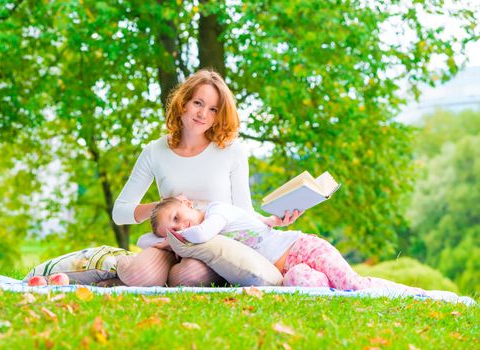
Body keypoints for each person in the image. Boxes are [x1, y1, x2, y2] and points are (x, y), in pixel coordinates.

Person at [112, 69, 302, 287]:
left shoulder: (231, 151)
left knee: (187, 276)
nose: (203, 114)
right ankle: (111, 272)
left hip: (214, 242)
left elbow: (243, 210)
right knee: (139, 275)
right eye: (198, 103)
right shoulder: (155, 151)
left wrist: (273, 221)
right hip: (171, 241)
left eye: (213, 109)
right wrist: (164, 207)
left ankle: (171, 275)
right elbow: (120, 212)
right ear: (183, 103)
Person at [150, 197, 427, 295]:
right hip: (289, 270)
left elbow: (200, 233)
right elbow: (258, 221)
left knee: (353, 286)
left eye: (176, 217)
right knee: (304, 285)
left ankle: (407, 293)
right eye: (172, 230)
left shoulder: (215, 213)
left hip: (302, 247)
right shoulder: (211, 233)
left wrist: (171, 240)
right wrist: (274, 219)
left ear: (187, 203)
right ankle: (334, 288)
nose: (180, 229)